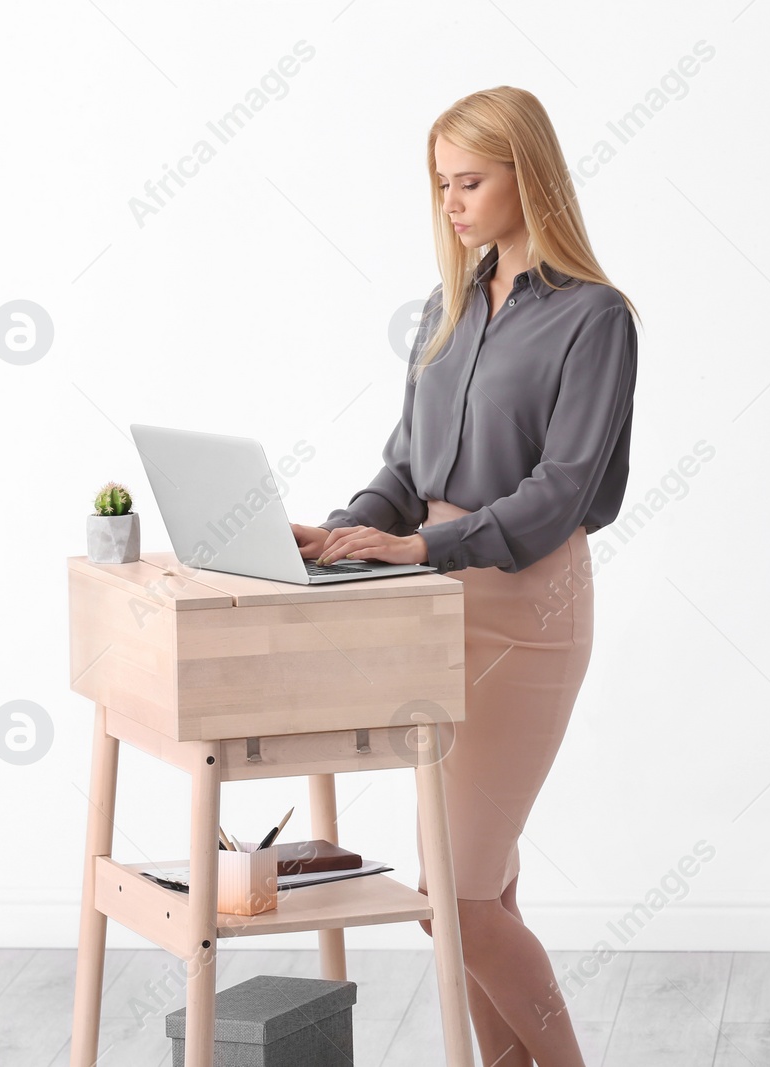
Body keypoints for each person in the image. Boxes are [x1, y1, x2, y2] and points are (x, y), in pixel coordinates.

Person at [290, 85, 639, 1067]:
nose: (449, 202)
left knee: (457, 897)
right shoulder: (444, 310)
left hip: (525, 610)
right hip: (432, 606)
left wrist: (418, 549)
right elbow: (404, 467)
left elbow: (561, 491)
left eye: (470, 181)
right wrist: (342, 532)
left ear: (530, 176)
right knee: (484, 887)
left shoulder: (594, 318)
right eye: (440, 183)